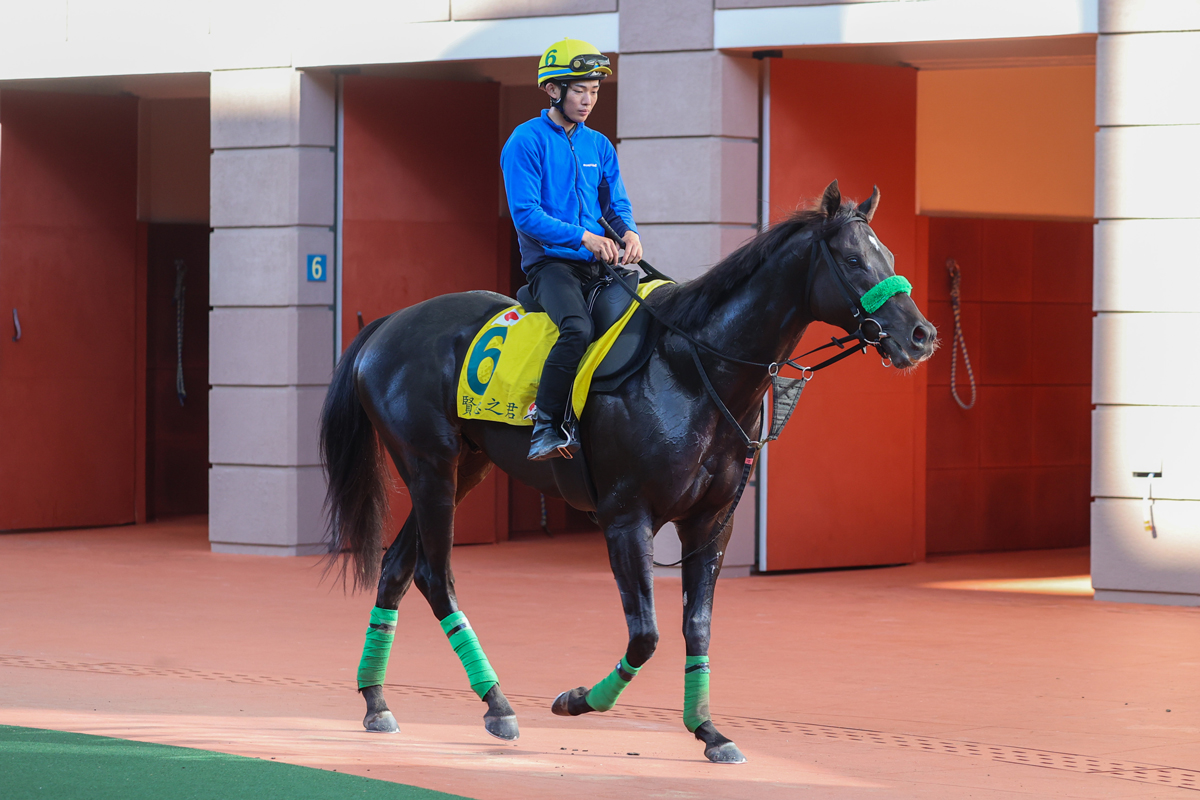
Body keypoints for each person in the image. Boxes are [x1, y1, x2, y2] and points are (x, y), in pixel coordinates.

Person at [501, 38, 642, 461]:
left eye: (594, 91)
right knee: (578, 330)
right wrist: (585, 238)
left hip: (600, 263)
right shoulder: (524, 141)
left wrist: (629, 234)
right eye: (580, 90)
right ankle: (546, 425)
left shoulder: (599, 145)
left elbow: (614, 205)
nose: (588, 100)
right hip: (551, 266)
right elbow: (525, 214)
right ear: (552, 89)